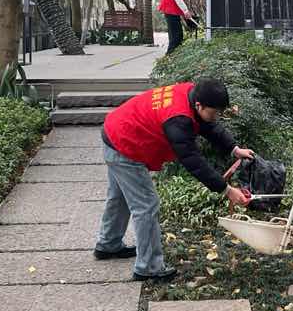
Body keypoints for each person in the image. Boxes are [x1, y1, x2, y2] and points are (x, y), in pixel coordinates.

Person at [97, 78, 255, 281]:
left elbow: (208, 125)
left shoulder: (191, 93)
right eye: (214, 112)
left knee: (119, 197)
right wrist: (227, 189)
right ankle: (149, 268)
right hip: (125, 144)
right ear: (199, 105)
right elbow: (192, 160)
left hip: (116, 131)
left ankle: (108, 244)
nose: (216, 117)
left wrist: (234, 149)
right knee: (146, 206)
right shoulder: (178, 119)